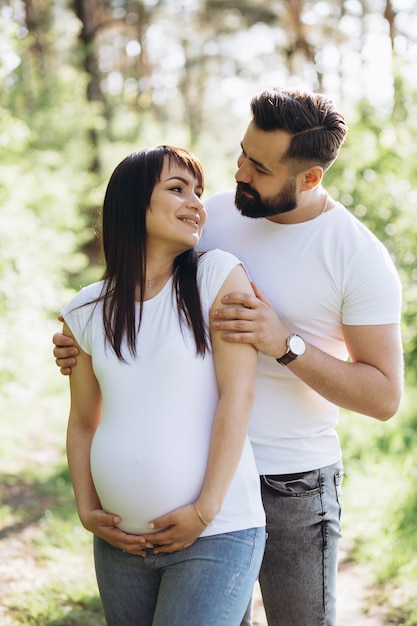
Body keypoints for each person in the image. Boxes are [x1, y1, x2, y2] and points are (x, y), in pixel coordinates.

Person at [54, 89, 403, 626]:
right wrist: (86, 340)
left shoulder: (357, 257)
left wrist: (286, 346)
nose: (239, 172)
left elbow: (383, 398)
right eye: (242, 153)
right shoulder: (211, 216)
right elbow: (144, 290)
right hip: (195, 470)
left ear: (309, 178)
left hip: (291, 480)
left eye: (259, 167)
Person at [59, 145, 266, 626]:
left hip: (217, 532)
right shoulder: (85, 311)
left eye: (197, 191)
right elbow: (84, 422)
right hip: (120, 544)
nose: (197, 203)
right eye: (177, 190)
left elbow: (238, 395)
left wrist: (204, 511)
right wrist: (87, 509)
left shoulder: (217, 276)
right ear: (132, 204)